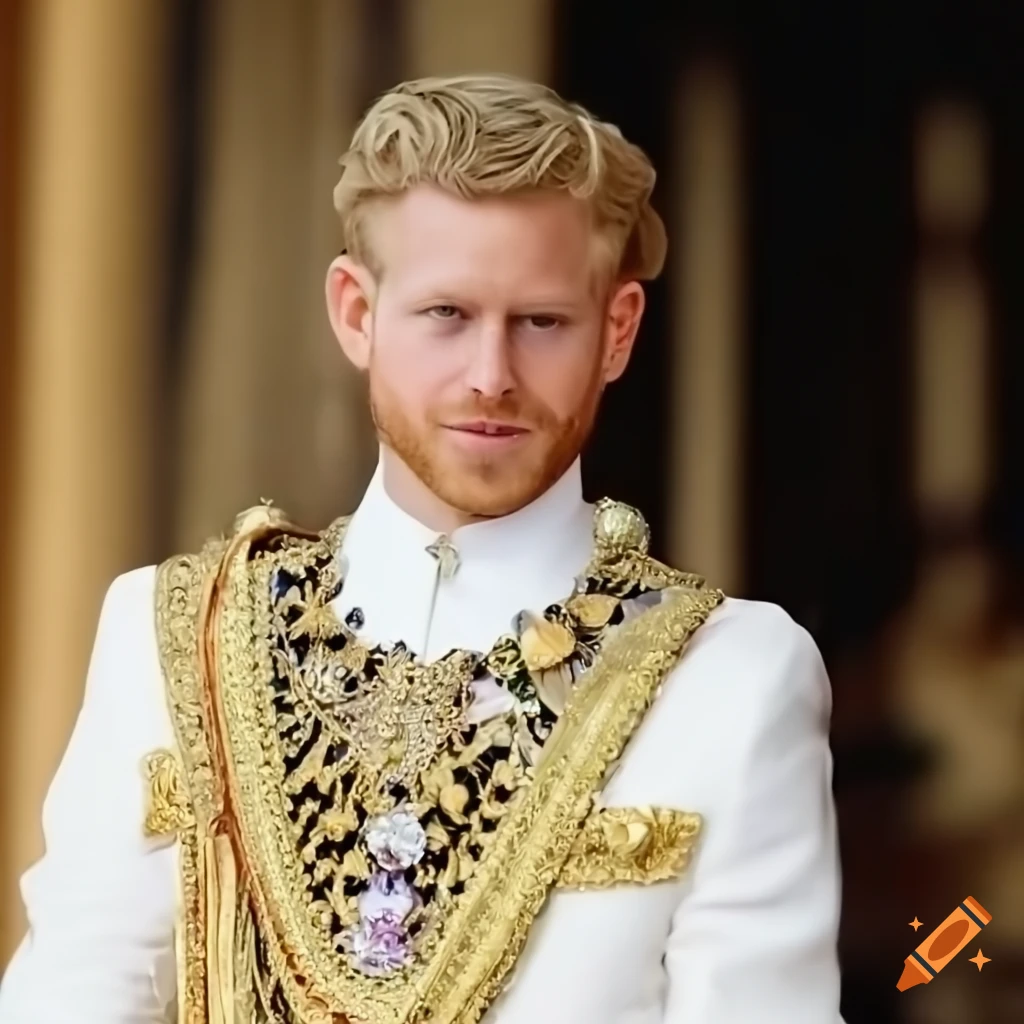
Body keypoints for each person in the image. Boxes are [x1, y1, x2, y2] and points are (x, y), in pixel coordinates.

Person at [0, 74, 843, 1023]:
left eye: (542, 322)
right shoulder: (174, 635)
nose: (492, 376)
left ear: (617, 332)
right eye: (446, 315)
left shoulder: (733, 679)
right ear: (357, 313)